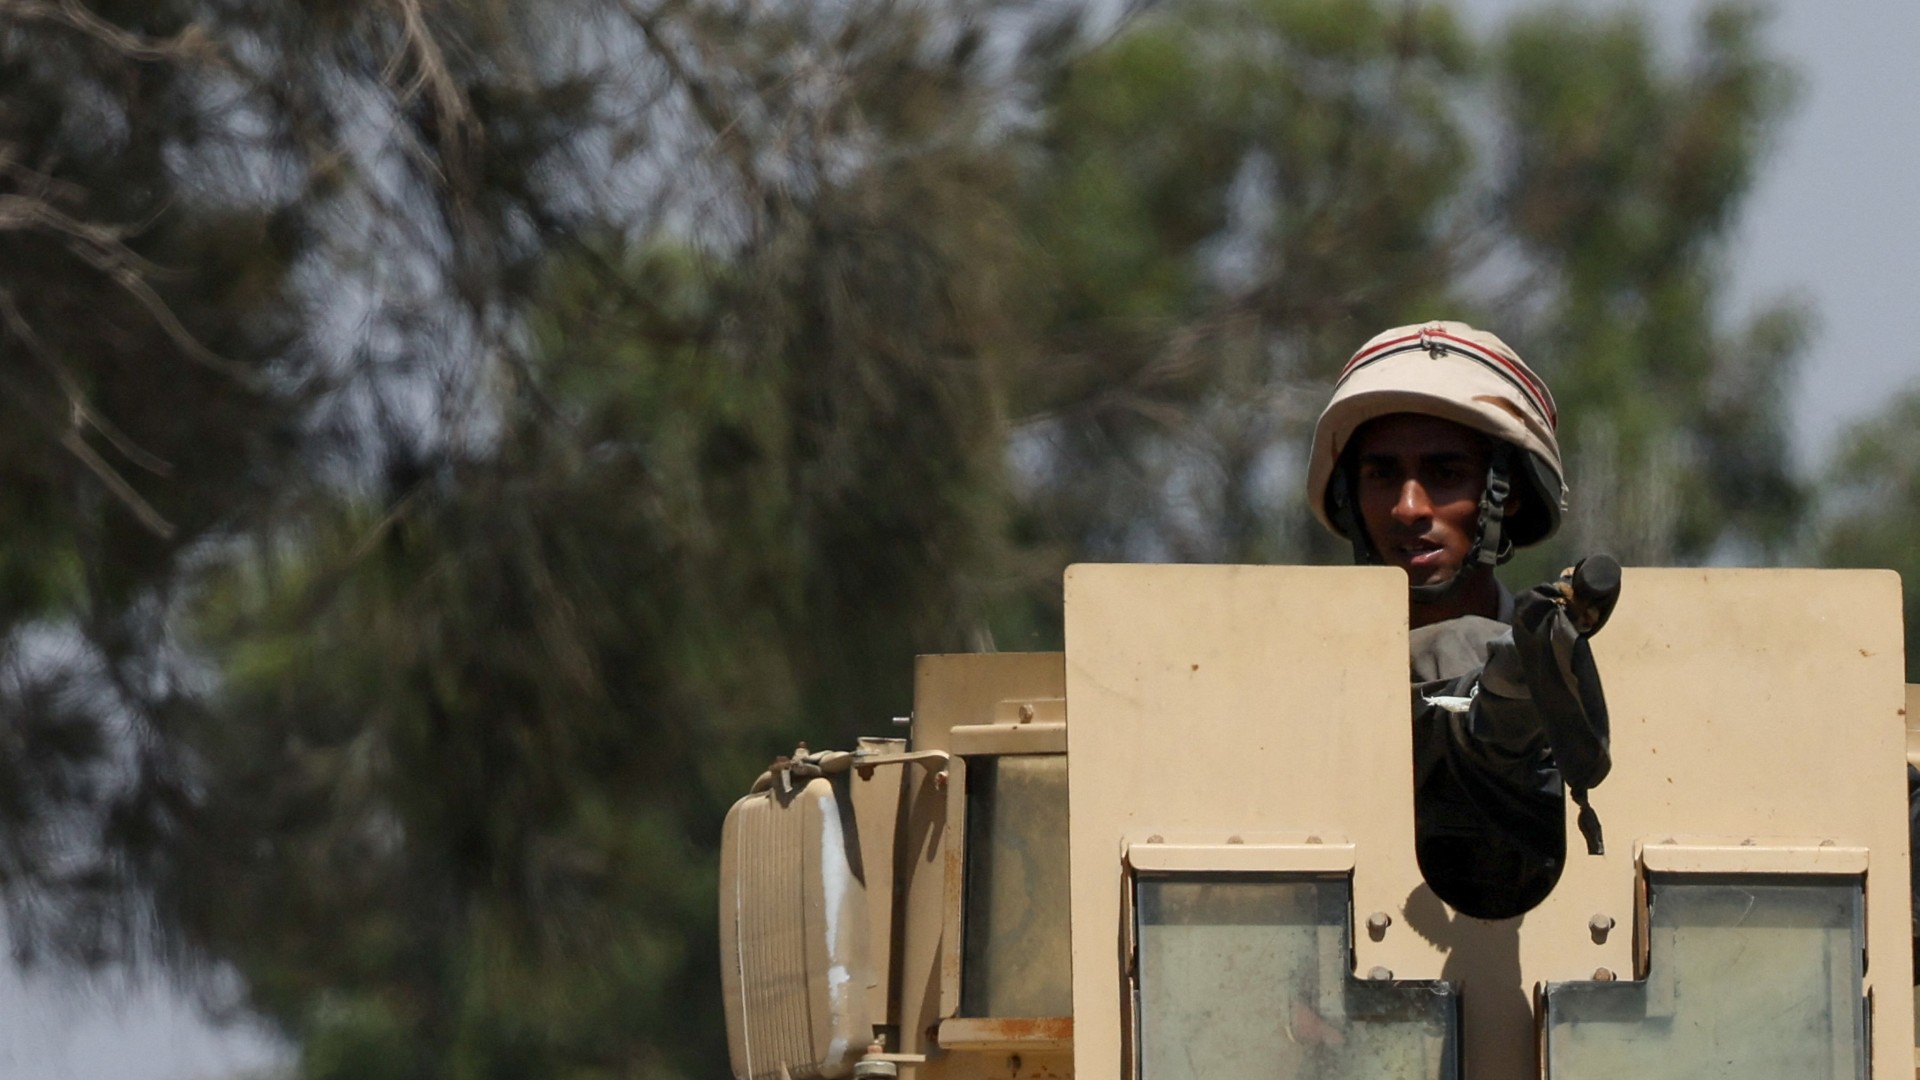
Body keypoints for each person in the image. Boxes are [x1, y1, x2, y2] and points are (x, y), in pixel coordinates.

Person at [1305, 320, 1616, 919]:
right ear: (1350, 494)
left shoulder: (1556, 662)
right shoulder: (1300, 671)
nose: (1408, 507)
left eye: (1445, 475)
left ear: (1509, 494)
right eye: (1381, 474)